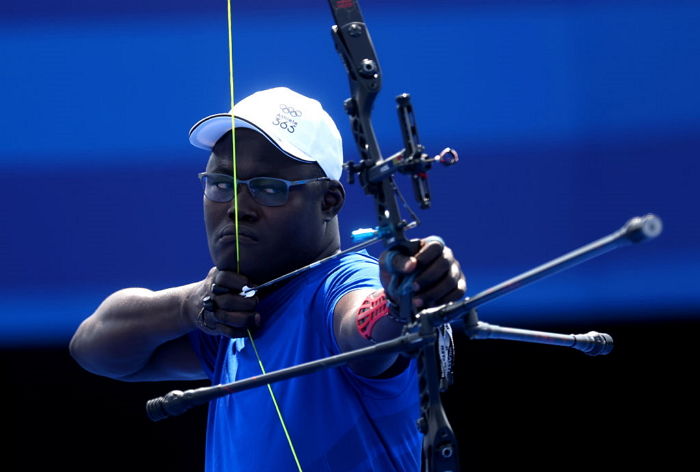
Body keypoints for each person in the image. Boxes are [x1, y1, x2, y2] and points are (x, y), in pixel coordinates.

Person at [70, 87, 466, 471]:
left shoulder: (337, 287)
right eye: (221, 185)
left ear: (329, 201)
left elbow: (364, 321)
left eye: (268, 189)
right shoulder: (234, 314)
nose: (237, 209)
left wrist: (402, 298)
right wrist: (188, 306)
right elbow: (94, 349)